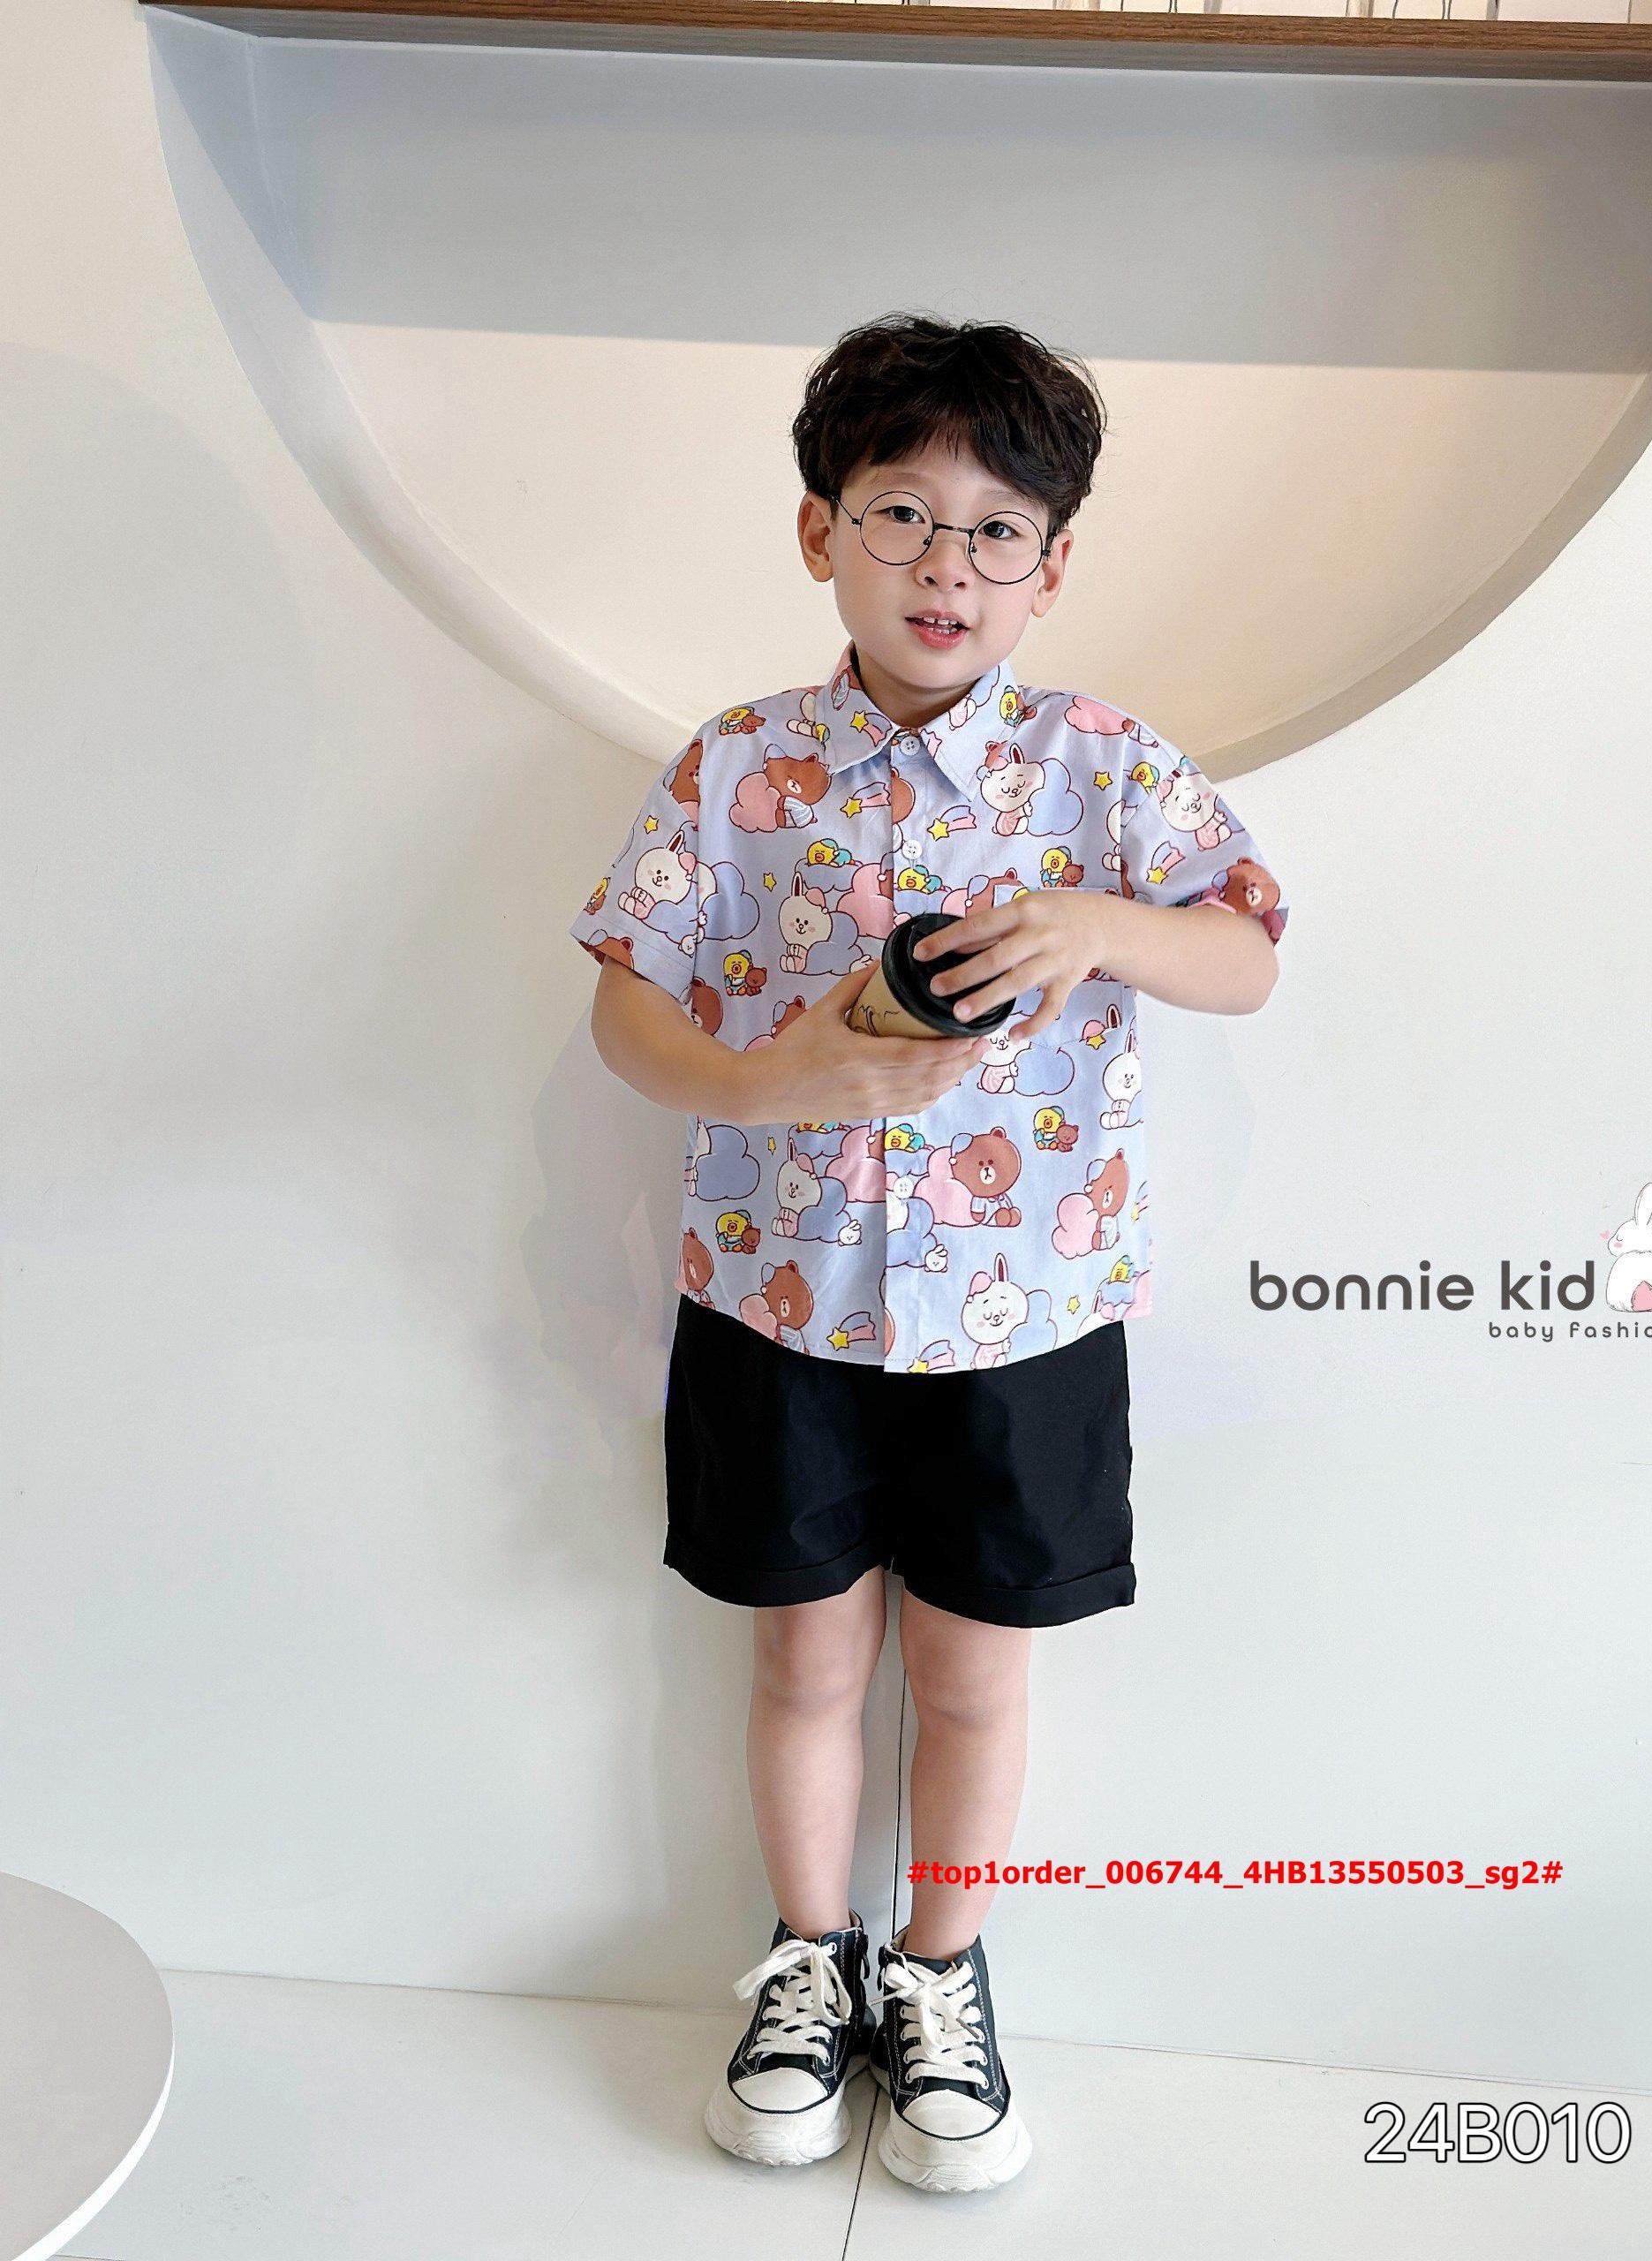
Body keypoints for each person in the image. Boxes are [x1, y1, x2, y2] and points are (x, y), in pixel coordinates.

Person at [577, 313, 1289, 2195]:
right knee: (805, 1665)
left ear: (1054, 564)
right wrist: (768, 1076)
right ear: (823, 530)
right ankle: (808, 1968)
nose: (945, 565)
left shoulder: (1105, 770)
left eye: (995, 531)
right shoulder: (738, 766)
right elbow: (625, 1006)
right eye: (901, 513)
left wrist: (1102, 926)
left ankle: (944, 1975)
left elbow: (1248, 951)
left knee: (974, 1679)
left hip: (1026, 1312)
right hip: (781, 1297)